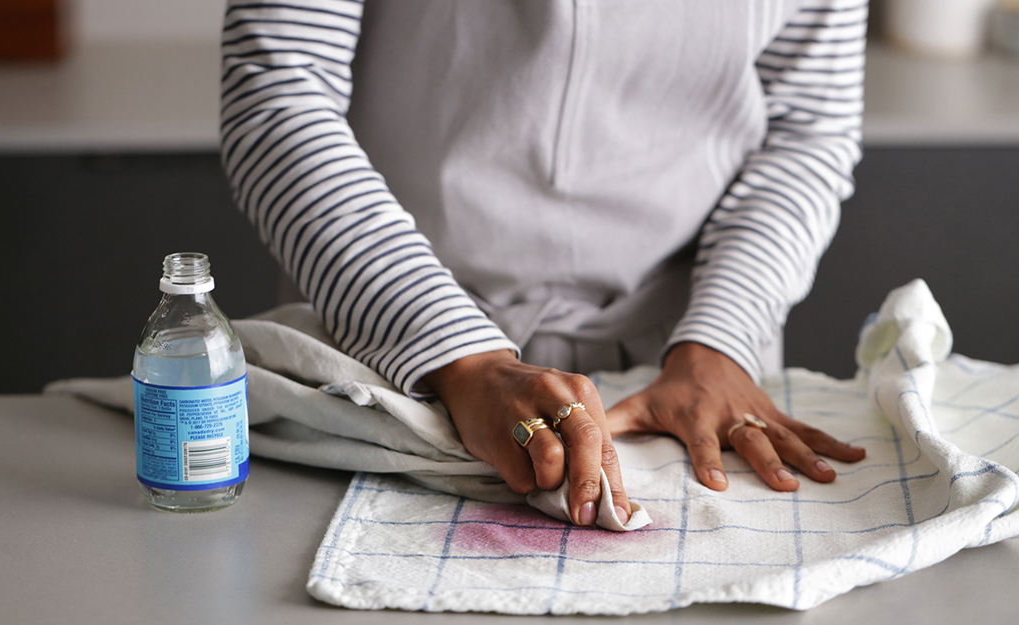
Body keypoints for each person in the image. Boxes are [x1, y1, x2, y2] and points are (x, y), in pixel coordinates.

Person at [220, 0, 868, 526]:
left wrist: (721, 339)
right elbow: (278, 91)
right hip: (398, 341)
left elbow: (806, 132)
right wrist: (458, 353)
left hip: (687, 362)